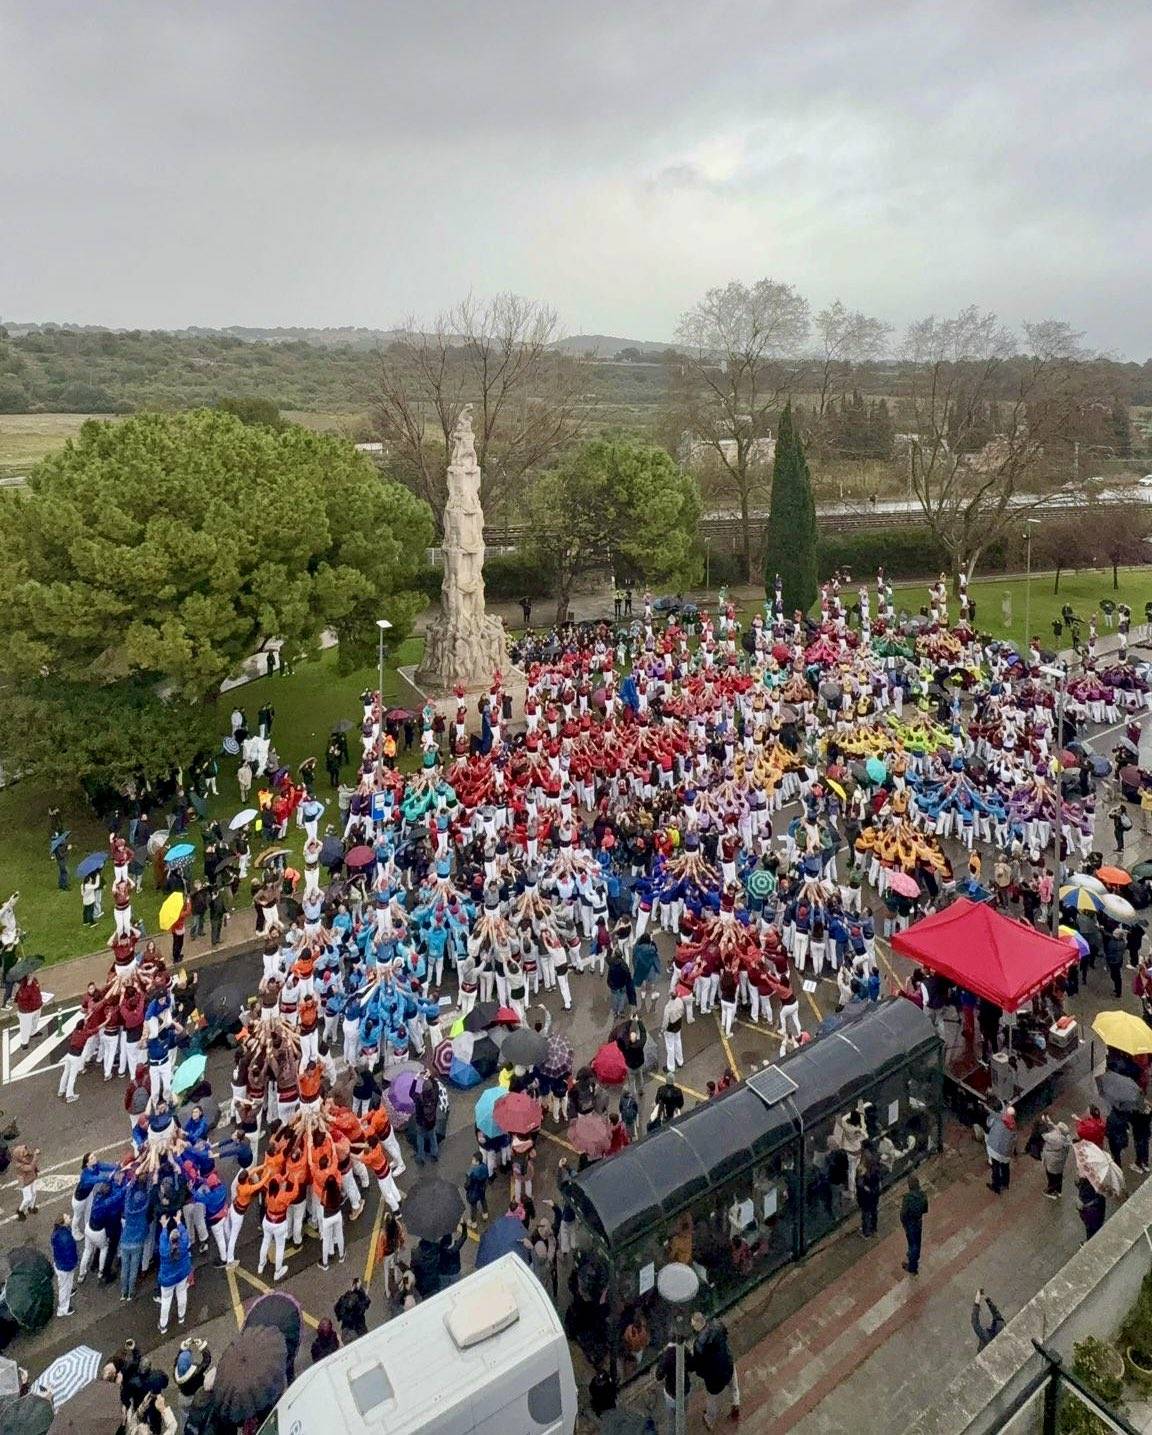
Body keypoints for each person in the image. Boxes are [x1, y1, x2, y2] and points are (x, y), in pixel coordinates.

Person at [689, 1312, 740, 1428]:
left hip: (714, 1379)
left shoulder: (698, 1345)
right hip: (727, 1364)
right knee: (734, 1388)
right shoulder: (717, 1325)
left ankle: (709, 1421)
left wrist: (702, 1374)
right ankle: (735, 1407)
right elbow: (725, 1334)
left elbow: (699, 1366)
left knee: (712, 1400)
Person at [158, 1221, 192, 1334]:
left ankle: (163, 1326)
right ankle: (181, 1317)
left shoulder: (164, 1250)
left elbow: (162, 1239)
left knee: (166, 1302)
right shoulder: (183, 1245)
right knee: (182, 1295)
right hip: (181, 1276)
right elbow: (185, 1234)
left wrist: (163, 1227)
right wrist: (179, 1222)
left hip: (167, 1281)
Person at [900, 1174, 928, 1274]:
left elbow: (903, 1213)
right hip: (918, 1221)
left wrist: (903, 1222)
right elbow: (925, 1209)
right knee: (917, 1241)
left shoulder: (907, 1198)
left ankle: (912, 1266)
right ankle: (914, 1256)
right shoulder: (923, 1195)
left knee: (912, 1242)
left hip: (910, 1223)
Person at [51, 1213, 78, 1317]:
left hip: (60, 1264)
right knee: (63, 1287)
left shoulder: (57, 1233)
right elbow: (70, 1254)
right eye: (67, 1217)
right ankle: (63, 1309)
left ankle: (69, 1291)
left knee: (63, 1284)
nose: (69, 1217)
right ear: (63, 1223)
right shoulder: (66, 1238)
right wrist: (74, 1263)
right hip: (65, 1267)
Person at [986, 1105, 1016, 1193]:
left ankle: (996, 1186)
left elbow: (989, 1124)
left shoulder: (999, 1120)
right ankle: (1005, 1184)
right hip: (1006, 1151)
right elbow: (1014, 1140)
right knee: (1005, 1167)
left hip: (995, 1148)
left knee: (995, 1166)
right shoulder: (1013, 1126)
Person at [335, 1277, 371, 1343]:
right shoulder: (360, 1302)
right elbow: (365, 1305)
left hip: (346, 1329)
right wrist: (365, 1296)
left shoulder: (344, 1299)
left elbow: (337, 1310)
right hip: (359, 1328)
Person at [1041, 1120, 1072, 1197]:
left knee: (1051, 1177)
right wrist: (1050, 1122)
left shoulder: (1054, 1138)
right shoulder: (1066, 1138)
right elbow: (1059, 1129)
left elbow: (1043, 1135)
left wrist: (1045, 1124)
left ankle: (1051, 1192)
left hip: (1052, 1162)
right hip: (1060, 1162)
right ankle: (1058, 1191)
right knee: (1059, 1176)